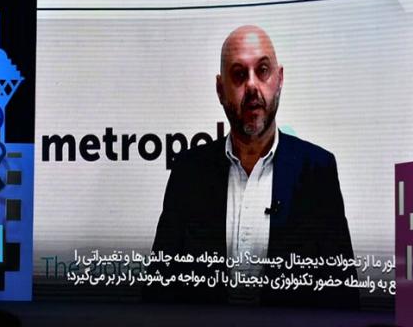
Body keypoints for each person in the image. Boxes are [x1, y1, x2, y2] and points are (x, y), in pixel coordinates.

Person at [146, 25, 358, 308]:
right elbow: (158, 290)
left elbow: (342, 294)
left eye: (263, 70)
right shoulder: (189, 173)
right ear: (220, 89)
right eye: (238, 74)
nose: (252, 86)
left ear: (279, 79)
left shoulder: (317, 171)